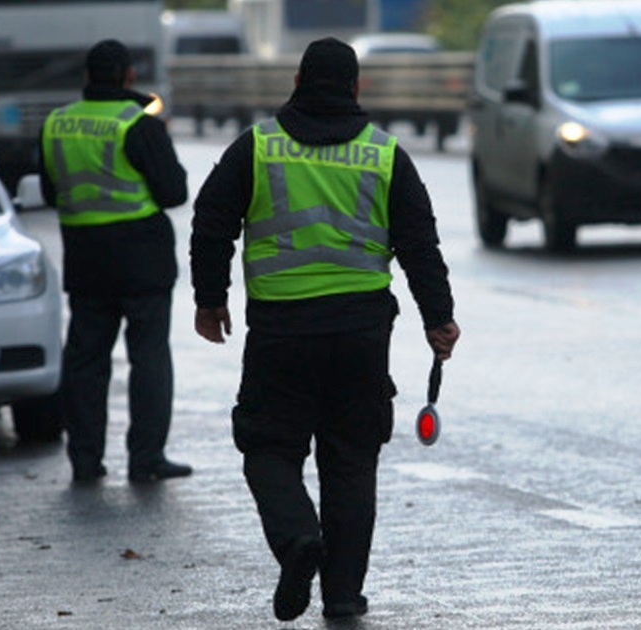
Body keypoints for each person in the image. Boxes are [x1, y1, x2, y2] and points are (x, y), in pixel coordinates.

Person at [189, 37, 460, 621]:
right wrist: (438, 318)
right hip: (361, 334)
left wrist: (210, 299)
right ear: (356, 87)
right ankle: (341, 593)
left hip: (281, 332)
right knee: (352, 461)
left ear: (297, 82)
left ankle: (297, 538)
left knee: (268, 447)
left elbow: (211, 221)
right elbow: (419, 244)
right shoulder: (384, 155)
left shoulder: (258, 146)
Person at [39, 39, 192, 483]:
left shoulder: (56, 124)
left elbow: (50, 192)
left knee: (86, 362)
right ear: (128, 77)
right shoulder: (137, 124)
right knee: (148, 359)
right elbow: (174, 193)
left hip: (86, 261)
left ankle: (85, 460)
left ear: (88, 77)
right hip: (143, 262)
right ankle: (146, 459)